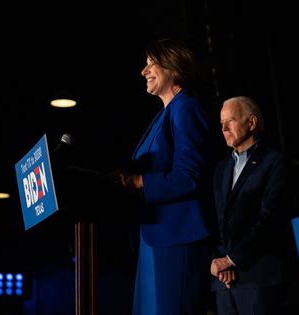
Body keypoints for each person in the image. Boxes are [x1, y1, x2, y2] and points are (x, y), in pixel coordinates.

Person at [118, 38, 214, 315]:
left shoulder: (186, 108)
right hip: (154, 238)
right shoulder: (164, 114)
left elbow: (190, 175)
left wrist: (139, 182)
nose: (143, 71)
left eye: (151, 63)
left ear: (173, 66)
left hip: (177, 237)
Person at [210, 96, 288, 314]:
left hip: (258, 278)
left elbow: (270, 218)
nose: (224, 128)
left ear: (251, 123)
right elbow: (214, 220)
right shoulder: (220, 170)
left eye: (230, 120)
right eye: (221, 123)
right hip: (224, 283)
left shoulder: (274, 162)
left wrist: (231, 259)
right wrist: (219, 262)